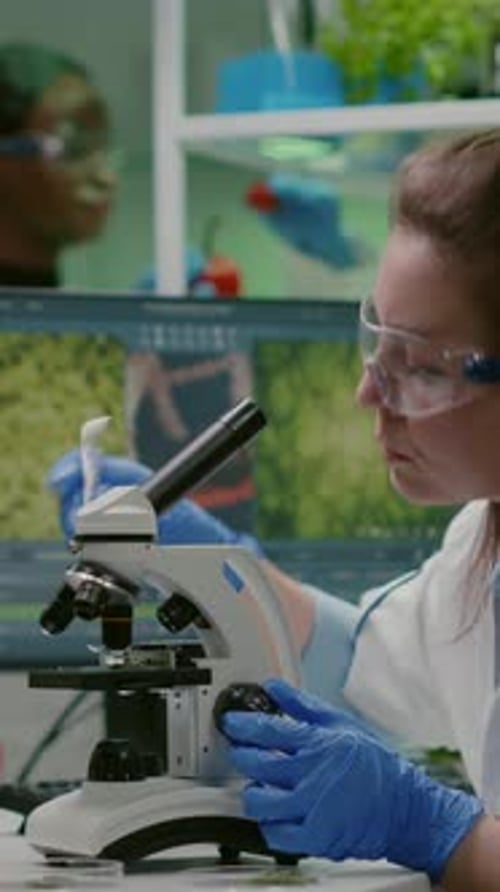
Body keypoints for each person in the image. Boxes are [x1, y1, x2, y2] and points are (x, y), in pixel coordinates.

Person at [52, 127, 500, 889]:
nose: (370, 394)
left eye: (419, 365)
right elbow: (364, 662)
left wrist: (433, 828)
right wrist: (218, 569)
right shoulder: (478, 549)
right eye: (375, 343)